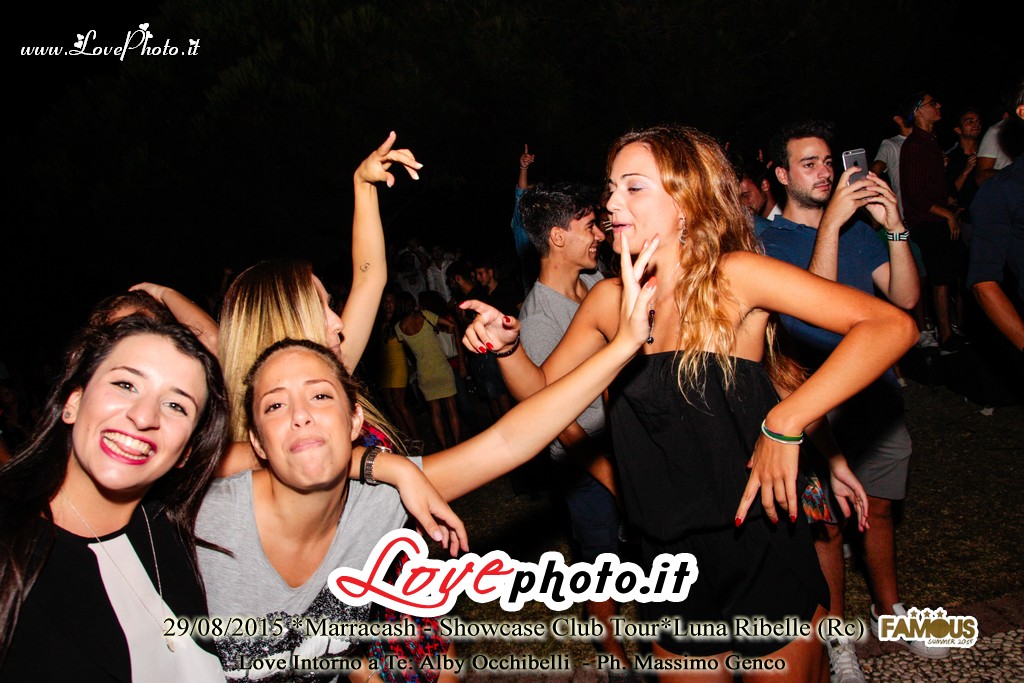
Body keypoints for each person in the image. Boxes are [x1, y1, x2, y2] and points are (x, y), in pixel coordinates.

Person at [464, 125, 916, 680]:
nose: (611, 204)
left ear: (685, 202)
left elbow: (889, 326)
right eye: (611, 189)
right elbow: (543, 397)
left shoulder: (736, 276)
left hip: (757, 535)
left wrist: (786, 422)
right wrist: (507, 350)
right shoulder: (609, 300)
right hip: (663, 555)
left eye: (633, 187)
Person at [196, 237, 657, 681]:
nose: (340, 323)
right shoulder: (207, 519)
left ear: (354, 419)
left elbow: (508, 441)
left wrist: (623, 346)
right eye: (276, 405)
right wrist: (381, 464)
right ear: (256, 435)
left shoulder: (370, 499)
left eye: (320, 396)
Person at [762, 120, 948, 675]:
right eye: (809, 164)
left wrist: (894, 227)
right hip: (812, 402)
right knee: (827, 525)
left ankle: (890, 612)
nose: (825, 173)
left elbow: (905, 299)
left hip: (875, 396)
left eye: (829, 162)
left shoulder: (860, 232)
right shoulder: (764, 241)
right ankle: (837, 637)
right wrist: (832, 225)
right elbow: (808, 318)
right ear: (780, 175)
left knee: (881, 508)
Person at [133, 132, 421, 477]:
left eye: (331, 306)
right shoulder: (268, 434)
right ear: (283, 322)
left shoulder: (333, 372)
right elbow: (219, 343)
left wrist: (363, 184)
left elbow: (369, 276)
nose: (339, 322)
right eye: (320, 310)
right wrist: (388, 469)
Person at [0, 316, 229, 681]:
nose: (143, 416)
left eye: (176, 405)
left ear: (186, 451)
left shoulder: (173, 532)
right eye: (126, 385)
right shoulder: (11, 547)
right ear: (73, 402)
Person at [516, 181, 626, 663]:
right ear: (558, 238)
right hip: (583, 462)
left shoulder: (598, 282)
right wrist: (608, 475)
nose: (599, 235)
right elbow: (557, 419)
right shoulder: (539, 318)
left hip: (622, 439)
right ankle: (610, 652)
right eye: (589, 226)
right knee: (602, 562)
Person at [394, 291, 463, 448]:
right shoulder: (425, 315)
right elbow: (450, 325)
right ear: (412, 304)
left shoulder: (398, 328)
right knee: (452, 409)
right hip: (442, 368)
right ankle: (457, 444)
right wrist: (446, 334)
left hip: (424, 373)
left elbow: (408, 349)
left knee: (435, 413)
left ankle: (443, 446)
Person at [373, 288, 420, 442]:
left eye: (391, 301)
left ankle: (416, 438)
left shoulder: (400, 323)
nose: (388, 304)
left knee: (400, 403)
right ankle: (405, 438)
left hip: (399, 366)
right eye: (385, 301)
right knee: (390, 403)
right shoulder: (378, 324)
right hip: (384, 368)